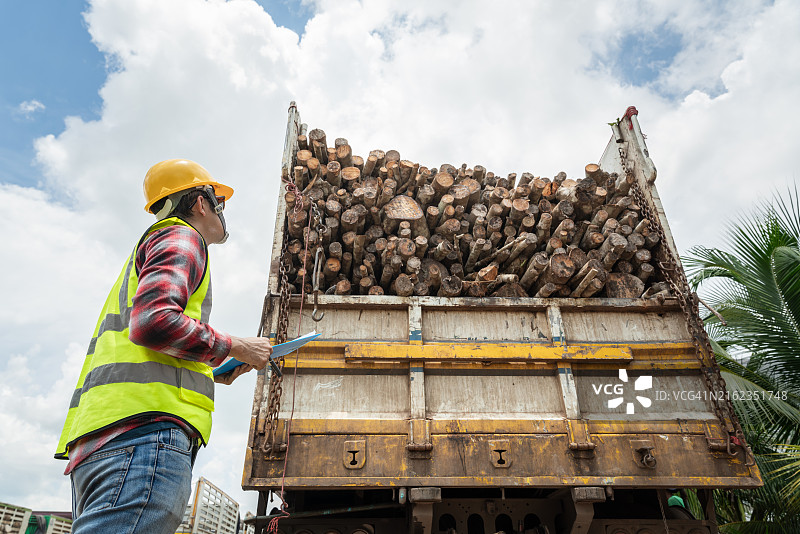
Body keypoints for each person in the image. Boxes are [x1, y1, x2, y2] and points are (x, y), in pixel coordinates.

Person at [54, 159, 273, 533]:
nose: (224, 210)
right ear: (202, 203)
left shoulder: (155, 244)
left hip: (106, 439)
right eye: (220, 200)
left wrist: (215, 365)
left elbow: (146, 343)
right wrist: (236, 345)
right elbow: (155, 324)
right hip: (143, 437)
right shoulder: (181, 236)